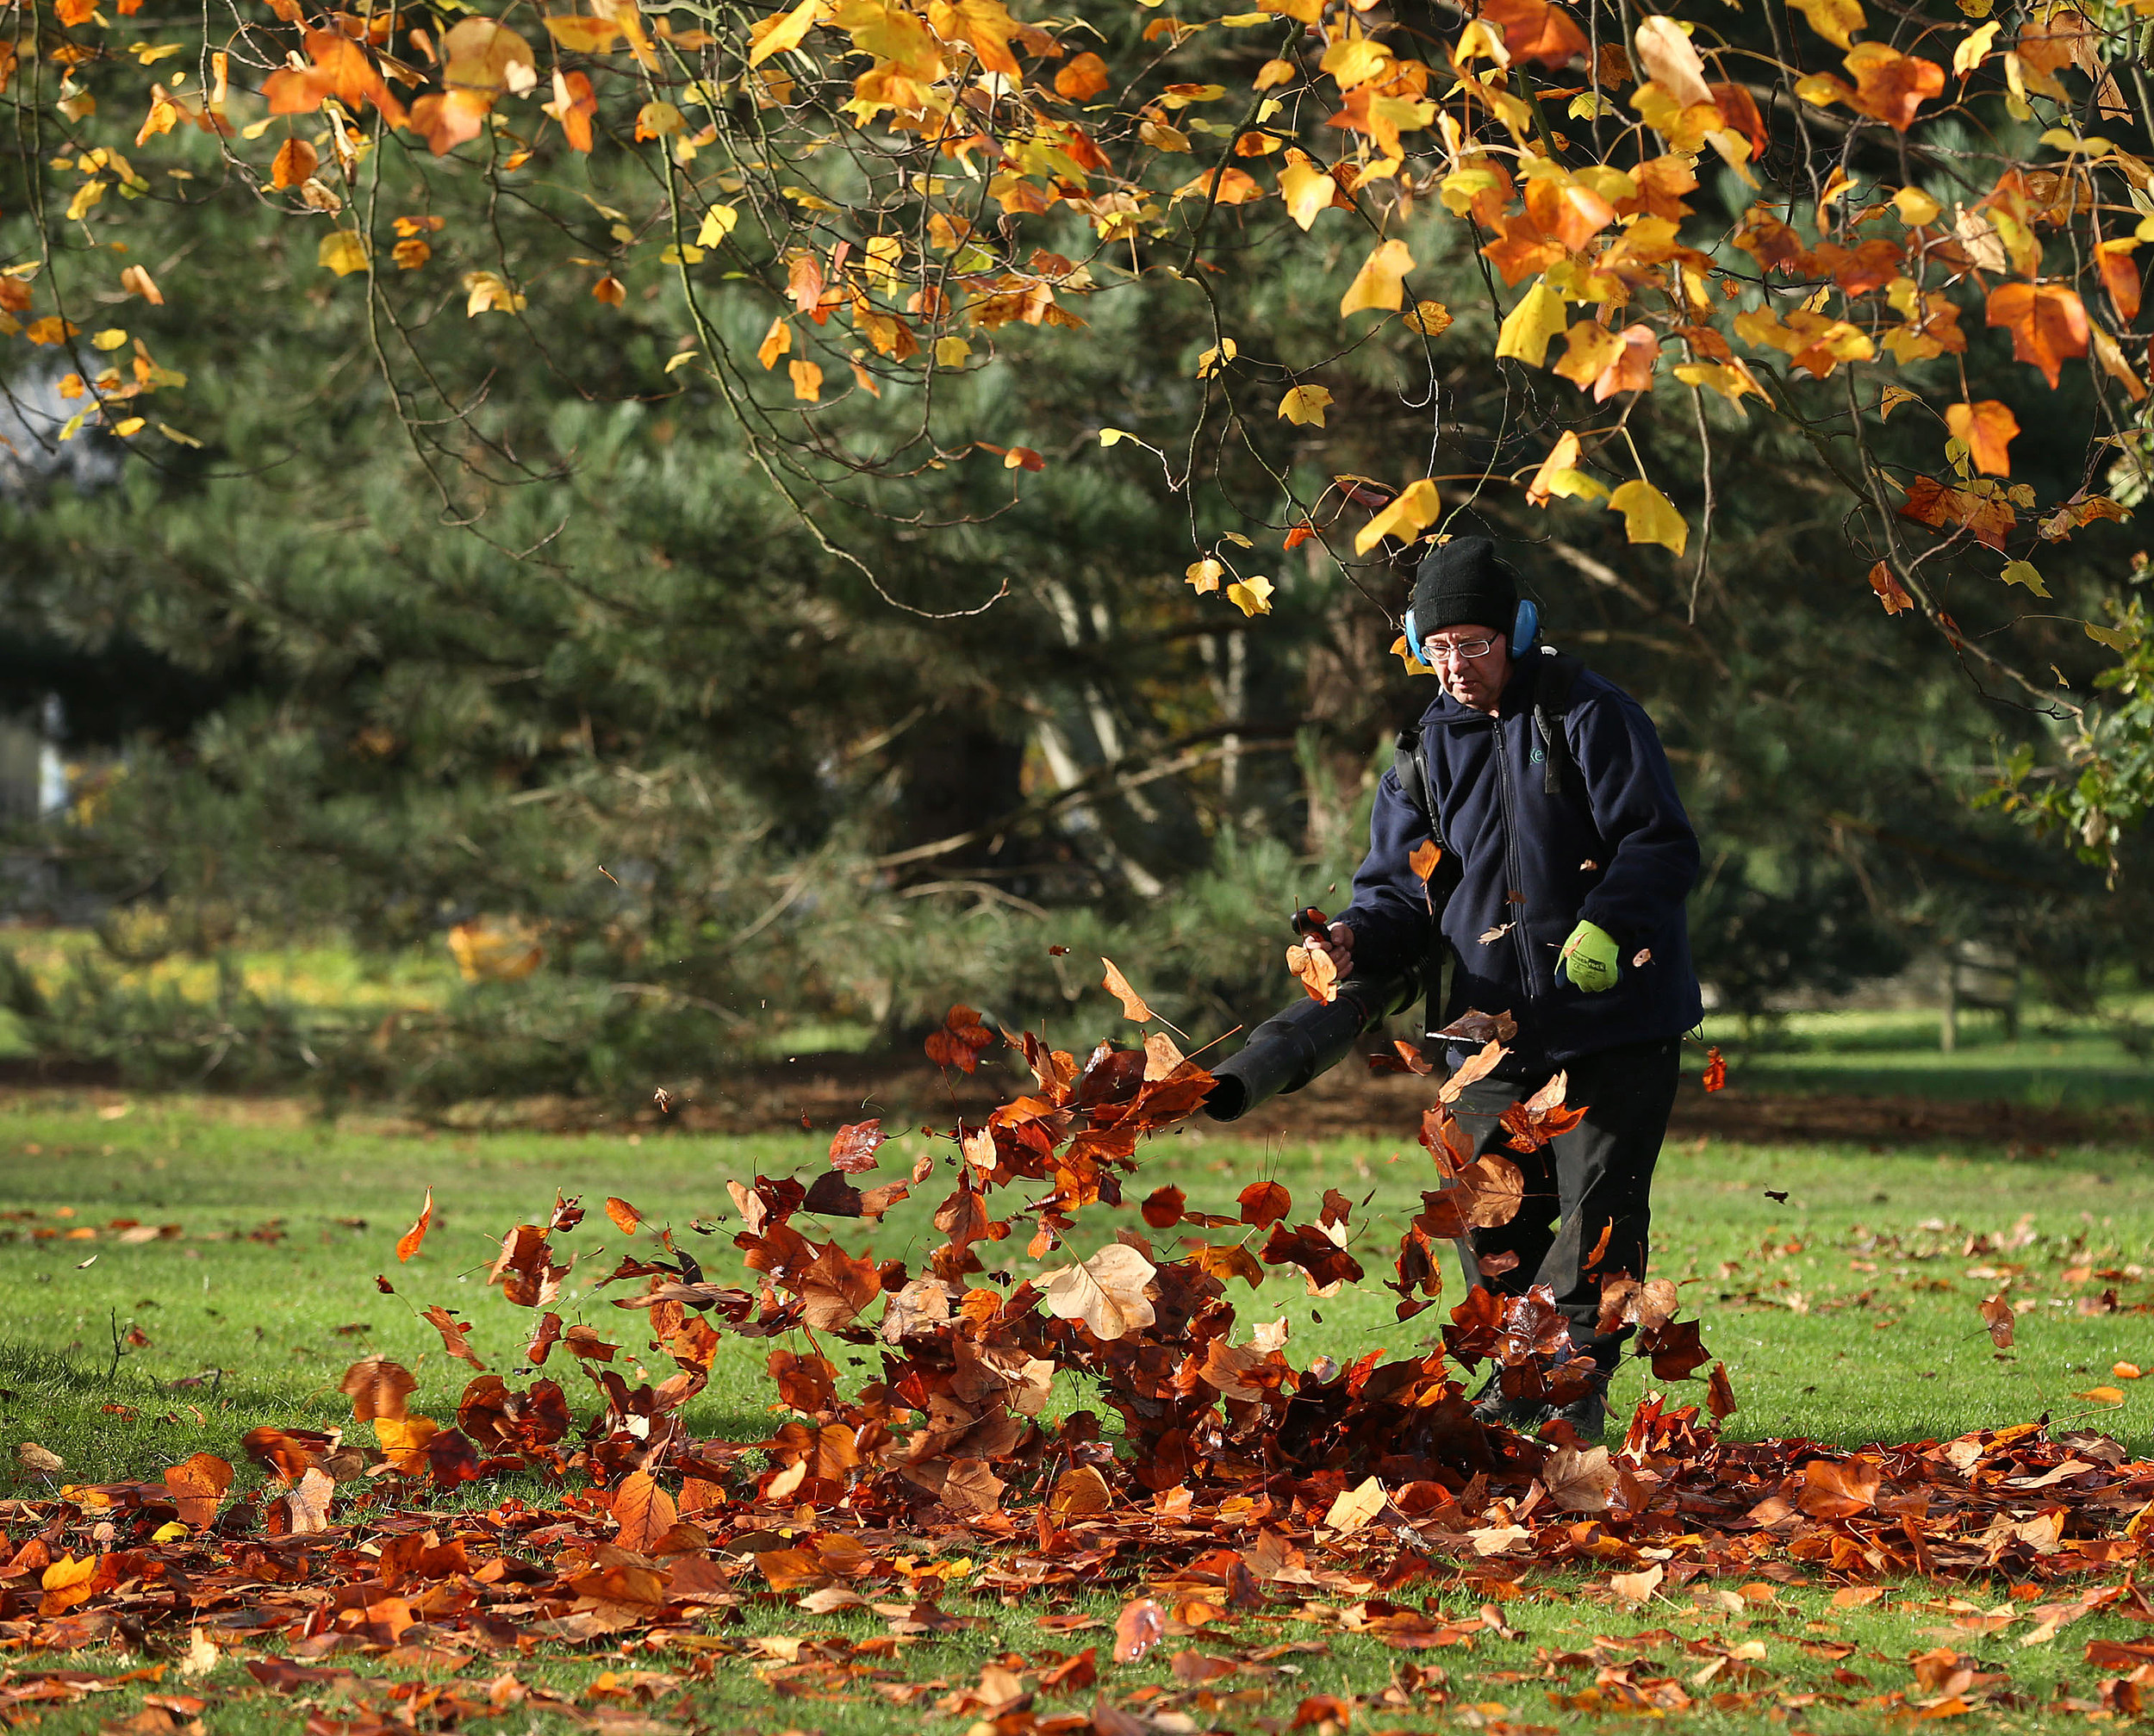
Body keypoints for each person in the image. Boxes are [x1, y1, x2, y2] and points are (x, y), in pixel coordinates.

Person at [1306, 536, 1703, 1441]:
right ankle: (1520, 1376)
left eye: (1475, 642)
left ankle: (1567, 1391)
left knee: (1597, 1216)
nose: (1456, 665)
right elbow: (1401, 893)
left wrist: (1610, 921)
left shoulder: (1588, 712)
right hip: (1485, 1030)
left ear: (1519, 631)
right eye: (1438, 645)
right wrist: (1353, 933)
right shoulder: (1420, 750)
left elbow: (1659, 842)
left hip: (1614, 1021)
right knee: (1489, 1217)